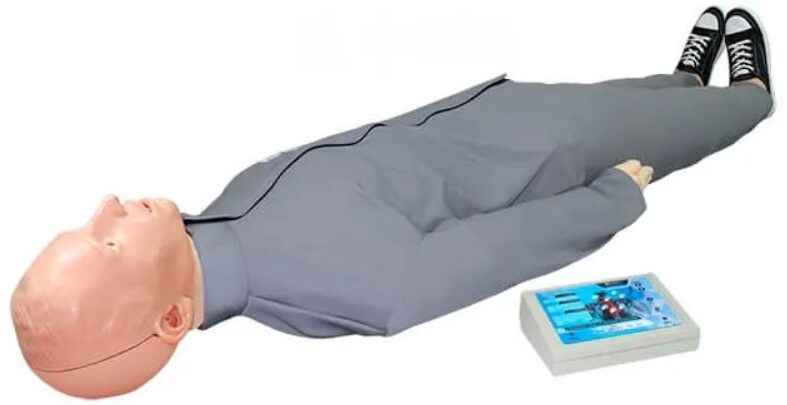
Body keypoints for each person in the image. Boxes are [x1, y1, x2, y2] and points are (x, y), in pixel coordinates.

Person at [11, 7, 773, 399]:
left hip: (492, 118)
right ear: (173, 317)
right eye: (107, 242)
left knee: (627, 99)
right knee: (661, 129)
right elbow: (486, 257)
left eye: (89, 223)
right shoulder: (339, 286)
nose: (107, 205)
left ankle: (679, 82)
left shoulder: (225, 210)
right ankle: (747, 96)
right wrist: (608, 198)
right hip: (543, 158)